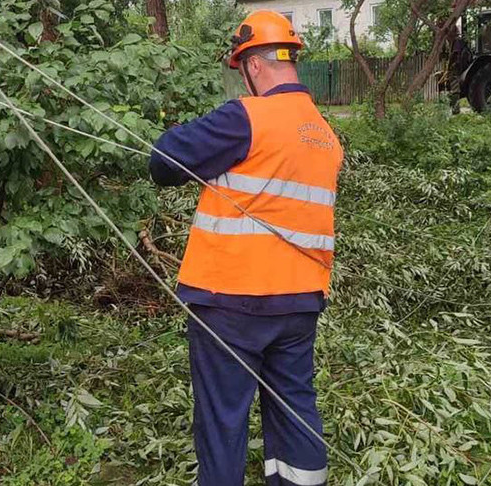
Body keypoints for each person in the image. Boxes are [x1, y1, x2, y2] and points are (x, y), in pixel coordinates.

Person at [148, 10, 343, 486]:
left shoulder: (246, 118)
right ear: (290, 60)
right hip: (299, 303)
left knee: (223, 418)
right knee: (294, 407)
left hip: (230, 300)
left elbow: (162, 160)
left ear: (252, 66)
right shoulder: (325, 136)